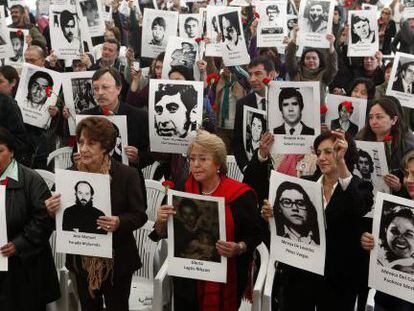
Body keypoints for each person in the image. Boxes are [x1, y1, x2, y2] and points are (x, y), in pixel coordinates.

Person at [262, 130, 373, 310]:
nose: (321, 157)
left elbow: (358, 207)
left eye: (329, 152)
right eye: (319, 152)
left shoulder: (361, 186)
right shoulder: (303, 185)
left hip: (338, 276)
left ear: (344, 152)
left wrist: (341, 162)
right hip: (301, 271)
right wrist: (272, 215)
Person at [151, 130, 262, 310]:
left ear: (218, 162)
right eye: (192, 159)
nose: (195, 165)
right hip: (187, 279)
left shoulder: (241, 195)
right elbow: (161, 234)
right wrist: (161, 221)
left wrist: (239, 247)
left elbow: (255, 235)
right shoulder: (181, 190)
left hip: (226, 275)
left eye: (203, 159)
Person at [45, 117, 148, 311]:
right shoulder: (68, 177)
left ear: (106, 146)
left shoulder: (127, 175)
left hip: (117, 262)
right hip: (80, 262)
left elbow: (139, 215)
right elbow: (57, 222)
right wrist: (51, 212)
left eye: (91, 143)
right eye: (81, 142)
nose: (83, 148)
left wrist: (119, 221)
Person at [0, 128, 60, 310]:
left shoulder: (31, 180)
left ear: (11, 152)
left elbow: (43, 219)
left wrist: (19, 244)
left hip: (25, 267)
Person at [361, 151, 414, 310]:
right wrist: (369, 241)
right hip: (387, 296)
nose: (409, 180)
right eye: (407, 174)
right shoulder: (395, 206)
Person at [233, 56, 277, 172]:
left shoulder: (283, 101)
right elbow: (237, 141)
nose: (252, 79)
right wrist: (244, 166)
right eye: (250, 74)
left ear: (271, 75)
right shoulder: (242, 104)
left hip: (279, 168)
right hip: (253, 170)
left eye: (258, 74)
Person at [173, 198, 220, 262]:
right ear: (181, 214)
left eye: (191, 214)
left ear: (196, 215)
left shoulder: (206, 233)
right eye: (185, 214)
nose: (188, 217)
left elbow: (216, 253)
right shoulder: (177, 231)